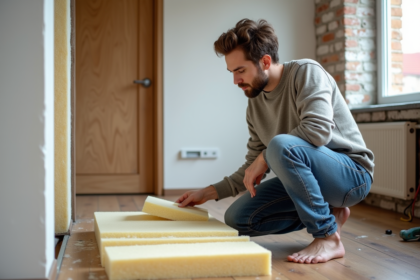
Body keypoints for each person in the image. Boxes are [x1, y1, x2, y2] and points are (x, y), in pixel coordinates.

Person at [176, 18, 374, 264]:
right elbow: (252, 166)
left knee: (279, 145)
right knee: (238, 218)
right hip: (310, 180)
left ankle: (327, 236)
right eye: (232, 72)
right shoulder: (255, 104)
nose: (235, 81)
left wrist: (266, 154)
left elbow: (318, 131)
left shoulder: (306, 72)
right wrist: (206, 192)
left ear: (265, 62)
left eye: (240, 71)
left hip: (351, 176)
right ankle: (331, 213)